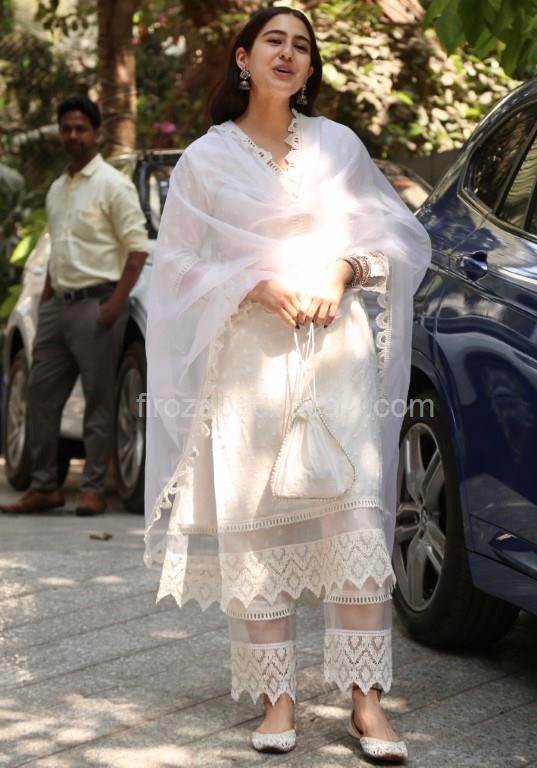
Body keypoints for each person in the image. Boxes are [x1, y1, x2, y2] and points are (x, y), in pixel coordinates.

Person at [143, 7, 431, 761]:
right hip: (249, 365)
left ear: (309, 68)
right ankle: (278, 700)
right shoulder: (206, 160)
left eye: (301, 46)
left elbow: (397, 237)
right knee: (258, 523)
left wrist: (343, 270)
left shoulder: (339, 146)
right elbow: (176, 267)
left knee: (355, 520)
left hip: (337, 356)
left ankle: (367, 702)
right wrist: (256, 283)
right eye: (274, 40)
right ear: (243, 57)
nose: (288, 53)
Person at [0, 97, 149, 517]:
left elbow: (137, 249)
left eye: (81, 128)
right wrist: (48, 295)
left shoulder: (112, 185)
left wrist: (113, 306)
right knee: (40, 393)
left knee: (99, 400)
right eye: (66, 128)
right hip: (58, 308)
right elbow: (59, 249)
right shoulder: (57, 189)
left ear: (96, 133)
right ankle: (44, 486)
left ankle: (93, 490)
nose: (72, 135)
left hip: (96, 306)